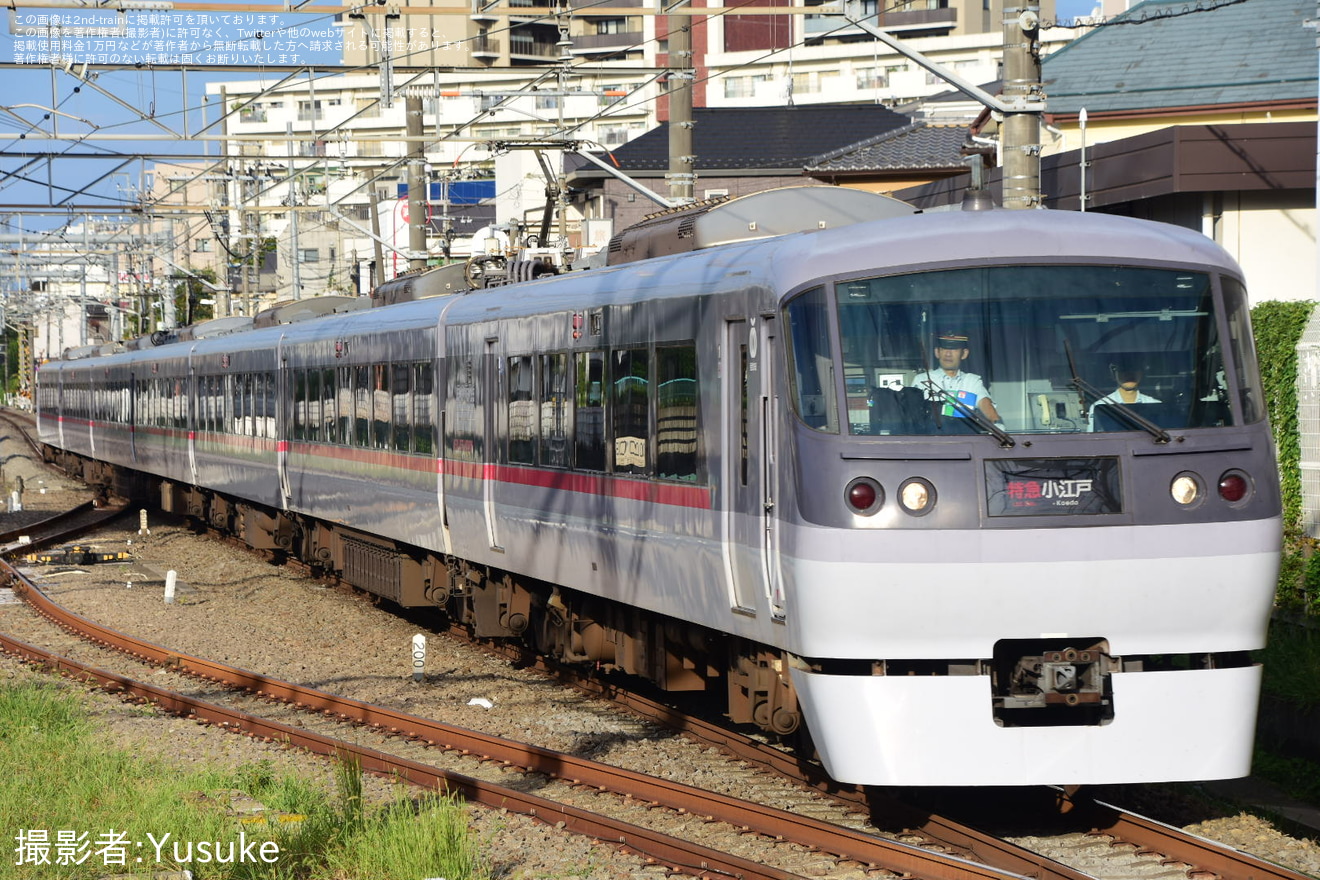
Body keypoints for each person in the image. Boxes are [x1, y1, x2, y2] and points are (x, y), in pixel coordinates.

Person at [911, 331, 1001, 424]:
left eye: (954, 349)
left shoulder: (972, 381)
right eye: (944, 348)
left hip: (964, 432)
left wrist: (998, 424)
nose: (948, 354)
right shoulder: (922, 380)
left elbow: (987, 407)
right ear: (937, 352)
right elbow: (913, 416)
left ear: (964, 354)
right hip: (933, 432)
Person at [1089, 362, 1160, 431]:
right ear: (1114, 374)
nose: (1129, 374)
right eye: (1123, 369)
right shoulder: (1099, 406)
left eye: (1134, 369)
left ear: (1141, 373)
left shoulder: (1156, 405)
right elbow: (1092, 437)